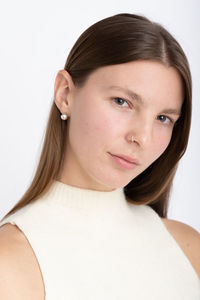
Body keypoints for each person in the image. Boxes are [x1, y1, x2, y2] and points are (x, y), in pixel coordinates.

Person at [0, 12, 199, 300]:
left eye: (163, 118)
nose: (141, 137)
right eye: (123, 102)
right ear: (65, 93)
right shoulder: (11, 263)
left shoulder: (189, 249)